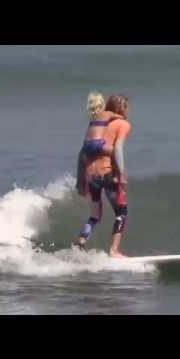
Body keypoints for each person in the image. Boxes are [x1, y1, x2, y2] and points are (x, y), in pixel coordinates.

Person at [74, 94, 131, 258]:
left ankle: (81, 240)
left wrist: (80, 179)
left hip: (91, 174)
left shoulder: (97, 126)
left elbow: (84, 152)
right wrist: (120, 173)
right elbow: (118, 148)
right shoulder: (122, 124)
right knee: (121, 212)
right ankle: (114, 251)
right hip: (107, 173)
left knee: (94, 216)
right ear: (122, 108)